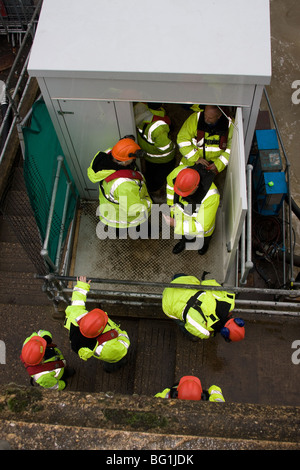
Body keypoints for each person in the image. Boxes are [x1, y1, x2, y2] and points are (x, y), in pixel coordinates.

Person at [64, 276, 130, 372]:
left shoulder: (76, 318)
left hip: (103, 352)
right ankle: (111, 368)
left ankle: (109, 367)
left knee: (109, 361)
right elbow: (123, 346)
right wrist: (121, 334)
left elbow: (77, 302)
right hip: (112, 355)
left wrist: (82, 286)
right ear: (101, 329)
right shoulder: (109, 348)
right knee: (114, 362)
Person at [87, 136, 152, 232]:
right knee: (137, 225)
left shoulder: (107, 155)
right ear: (125, 162)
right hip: (123, 217)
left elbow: (120, 150)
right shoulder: (125, 185)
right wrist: (148, 203)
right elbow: (133, 208)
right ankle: (144, 231)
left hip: (110, 209)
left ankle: (118, 233)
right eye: (133, 158)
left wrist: (126, 144)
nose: (134, 160)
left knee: (117, 229)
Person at [162, 274, 245, 342]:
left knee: (183, 278)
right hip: (168, 302)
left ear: (234, 319)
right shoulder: (204, 332)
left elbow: (208, 283)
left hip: (181, 284)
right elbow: (189, 327)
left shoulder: (228, 301)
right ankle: (191, 338)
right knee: (185, 326)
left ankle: (174, 277)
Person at [165, 164, 219, 255]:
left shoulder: (212, 196)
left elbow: (201, 226)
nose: (181, 195)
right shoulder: (176, 173)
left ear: (196, 187)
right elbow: (170, 190)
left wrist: (175, 223)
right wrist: (172, 208)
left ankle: (203, 245)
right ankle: (183, 243)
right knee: (184, 235)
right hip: (182, 217)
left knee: (203, 237)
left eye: (185, 193)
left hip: (201, 227)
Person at [134, 103, 176, 201]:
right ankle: (155, 193)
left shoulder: (140, 109)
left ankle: (149, 187)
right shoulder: (158, 126)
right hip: (163, 159)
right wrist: (173, 145)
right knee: (159, 178)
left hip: (148, 155)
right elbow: (165, 147)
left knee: (150, 173)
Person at [177, 105, 233, 173]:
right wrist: (196, 159)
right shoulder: (195, 118)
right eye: (205, 116)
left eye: (210, 118)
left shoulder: (230, 125)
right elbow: (182, 139)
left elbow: (232, 147)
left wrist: (219, 164)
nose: (206, 119)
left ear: (219, 116)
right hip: (191, 163)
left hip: (213, 167)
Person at [155, 375, 225, 402]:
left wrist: (170, 395)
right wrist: (207, 394)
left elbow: (157, 398)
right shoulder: (216, 402)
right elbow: (215, 388)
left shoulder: (165, 396)